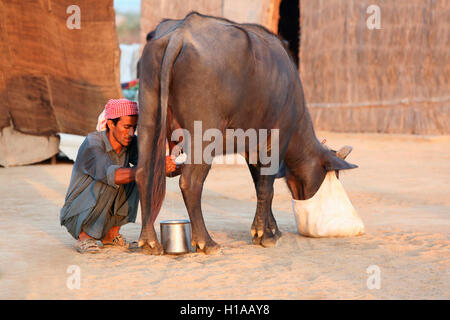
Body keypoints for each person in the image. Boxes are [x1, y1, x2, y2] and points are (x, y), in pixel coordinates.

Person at [60, 98, 179, 253]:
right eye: (126, 127)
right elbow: (114, 175)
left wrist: (179, 163)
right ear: (110, 124)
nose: (130, 133)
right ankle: (84, 237)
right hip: (77, 213)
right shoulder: (93, 143)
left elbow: (154, 165)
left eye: (134, 128)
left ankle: (110, 235)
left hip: (102, 206)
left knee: (140, 177)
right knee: (118, 178)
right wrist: (155, 168)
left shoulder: (131, 143)